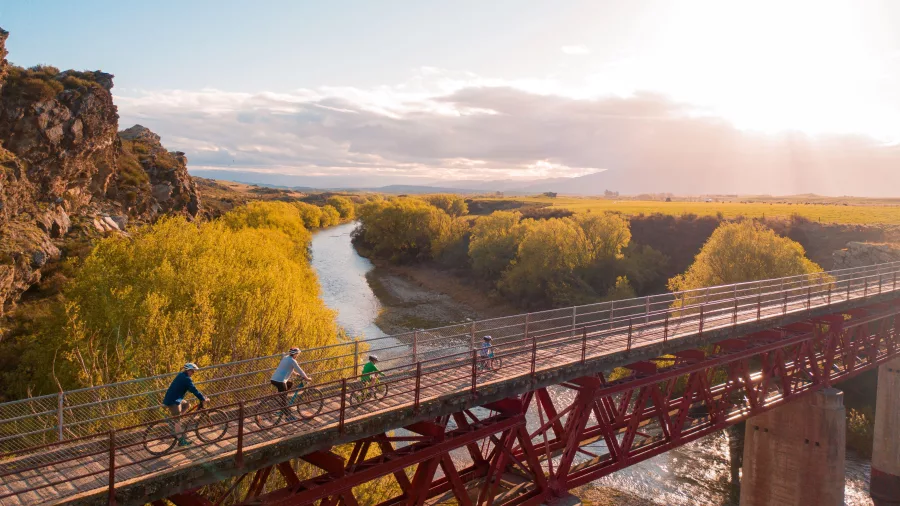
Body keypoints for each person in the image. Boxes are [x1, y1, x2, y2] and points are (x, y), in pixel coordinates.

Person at [162, 363, 208, 447]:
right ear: (188, 370)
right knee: (178, 422)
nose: (193, 373)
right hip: (173, 401)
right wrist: (202, 398)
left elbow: (192, 389)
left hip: (176, 399)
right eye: (192, 371)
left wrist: (200, 396)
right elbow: (194, 390)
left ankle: (177, 421)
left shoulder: (181, 375)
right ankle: (180, 440)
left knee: (187, 404)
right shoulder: (186, 379)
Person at [270, 347, 311, 420]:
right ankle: (288, 416)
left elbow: (288, 368)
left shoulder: (285, 358)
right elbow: (300, 370)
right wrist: (307, 378)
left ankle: (282, 396)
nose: (298, 355)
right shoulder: (293, 361)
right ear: (295, 354)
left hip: (273, 379)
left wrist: (296, 374)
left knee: (290, 384)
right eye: (298, 354)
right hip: (280, 381)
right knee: (284, 400)